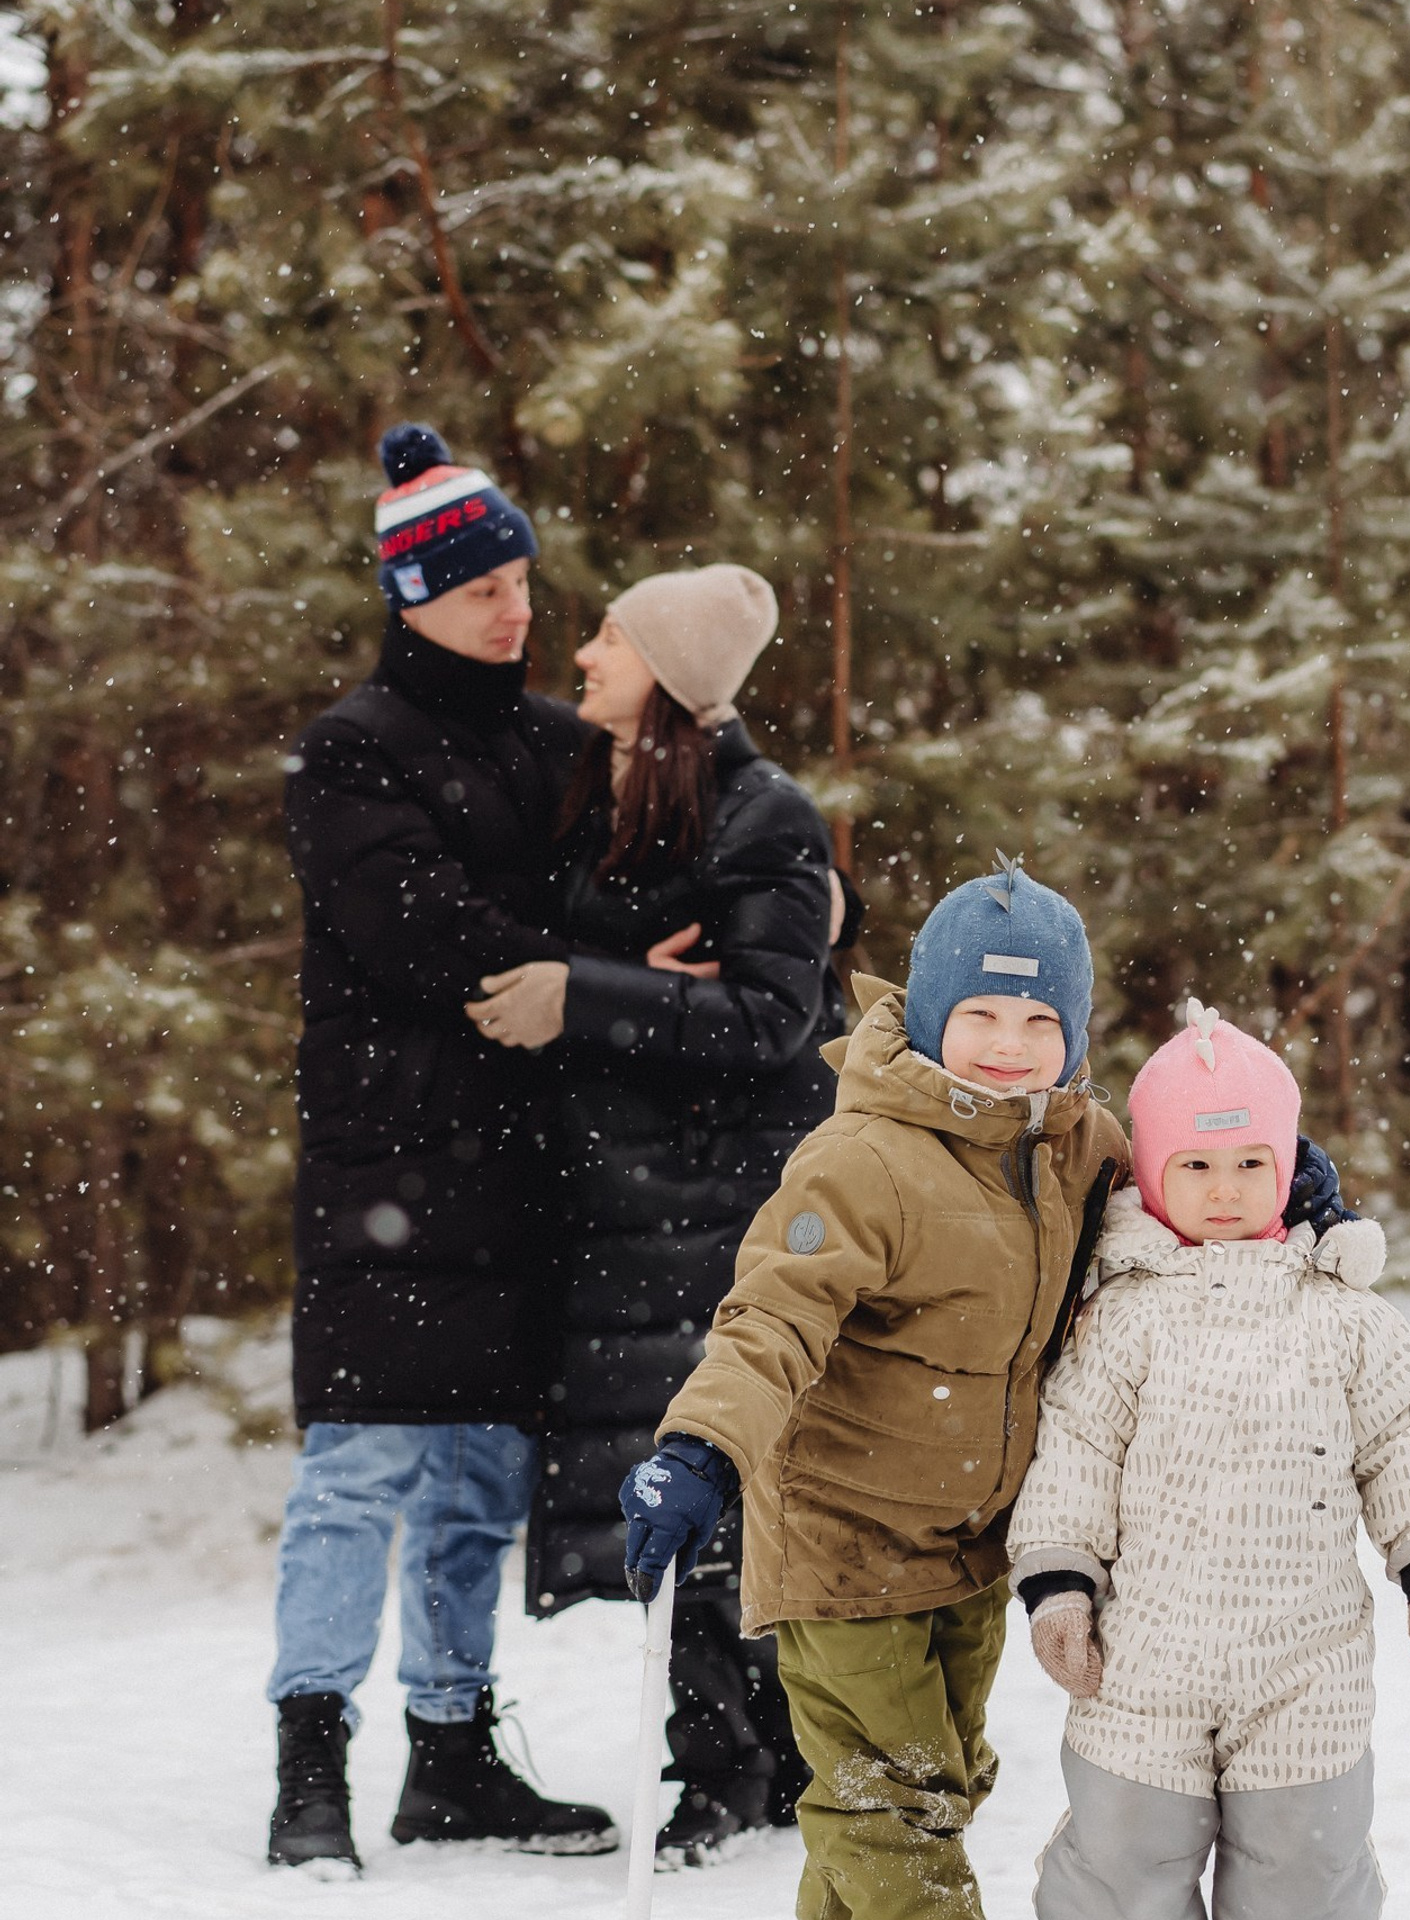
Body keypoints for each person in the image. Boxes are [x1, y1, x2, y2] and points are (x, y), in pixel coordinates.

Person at [612, 864, 1368, 1920]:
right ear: (929, 1015)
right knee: (891, 1807)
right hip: (846, 1543)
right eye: (980, 1015)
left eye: (1038, 1021)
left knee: (936, 1787)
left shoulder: (1078, 1146)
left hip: (973, 1546)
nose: (1009, 1045)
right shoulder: (860, 1162)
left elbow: (1186, 1181)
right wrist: (702, 1449)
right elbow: (773, 1318)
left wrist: (1297, 1181)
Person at [268, 424, 615, 1871]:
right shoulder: (351, 748)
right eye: (483, 589)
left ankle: (453, 1752)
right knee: (360, 1472)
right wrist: (589, 967)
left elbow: (664, 869)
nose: (514, 609)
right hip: (392, 1166)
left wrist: (800, 903)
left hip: (529, 1166)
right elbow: (416, 929)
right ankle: (310, 1763)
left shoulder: (562, 744)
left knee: (483, 1477)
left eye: (522, 581)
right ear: (413, 596)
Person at [463, 565, 848, 1863]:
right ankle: (735, 1757)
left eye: (613, 639)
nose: (584, 654)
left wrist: (588, 993)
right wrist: (616, 975)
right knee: (663, 1495)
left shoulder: (761, 810)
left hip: (721, 1213)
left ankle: (746, 1767)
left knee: (717, 1489)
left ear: (674, 676)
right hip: (620, 1214)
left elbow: (776, 1018)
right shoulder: (607, 801)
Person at [1006, 1001, 1410, 1920]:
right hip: (1142, 1658)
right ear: (1154, 1172)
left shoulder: (1344, 1316)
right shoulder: (1123, 1316)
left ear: (1287, 1166)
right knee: (1120, 1868)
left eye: (1250, 1164)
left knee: (1305, 1871)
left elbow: (1408, 1435)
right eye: (1196, 1165)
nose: (1224, 1189)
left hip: (1307, 1662)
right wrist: (1060, 1583)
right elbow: (1076, 1447)